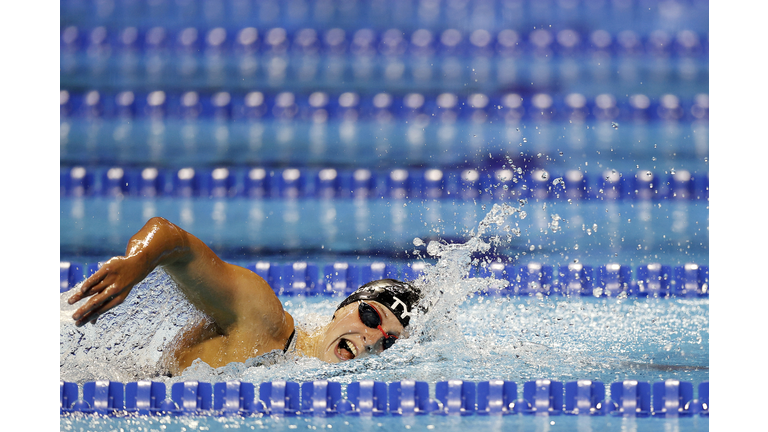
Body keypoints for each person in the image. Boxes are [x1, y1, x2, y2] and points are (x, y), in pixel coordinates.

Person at [67, 217, 422, 375]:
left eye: (389, 341)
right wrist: (136, 262)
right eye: (371, 317)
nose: (373, 338)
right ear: (343, 308)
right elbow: (171, 238)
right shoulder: (265, 321)